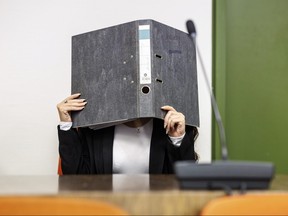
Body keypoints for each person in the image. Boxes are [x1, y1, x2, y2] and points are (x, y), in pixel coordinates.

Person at [57, 93, 198, 174]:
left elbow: (185, 181)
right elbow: (75, 176)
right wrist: (66, 124)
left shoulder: (166, 127)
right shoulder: (96, 128)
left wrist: (177, 138)